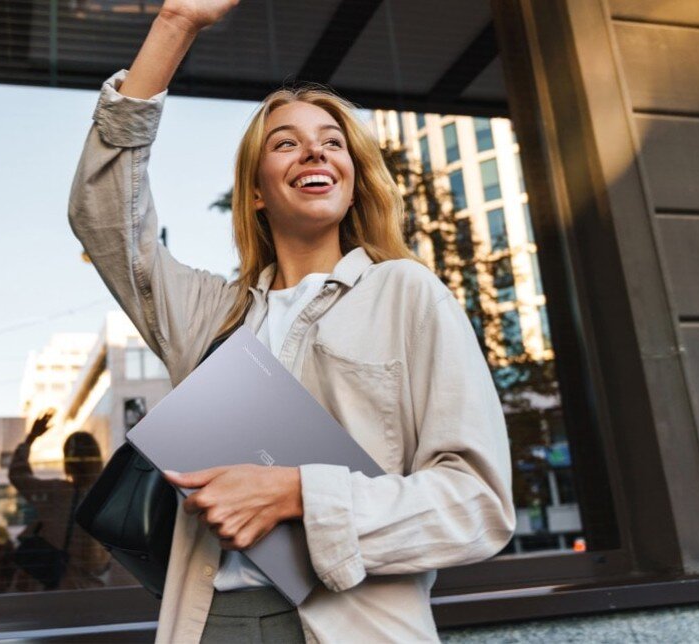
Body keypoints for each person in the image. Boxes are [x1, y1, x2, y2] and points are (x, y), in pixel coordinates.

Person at [67, 1, 516, 640]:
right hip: (209, 622)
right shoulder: (209, 315)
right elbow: (104, 220)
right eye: (287, 143)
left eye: (333, 143)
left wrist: (301, 493)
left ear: (354, 181)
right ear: (256, 191)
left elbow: (477, 507)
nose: (314, 151)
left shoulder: (407, 294)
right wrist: (175, 25)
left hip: (353, 627)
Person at [8, 412, 110, 591]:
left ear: (67, 462)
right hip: (91, 592)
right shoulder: (107, 499)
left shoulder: (56, 493)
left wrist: (31, 438)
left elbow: (18, 475)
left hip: (54, 591)